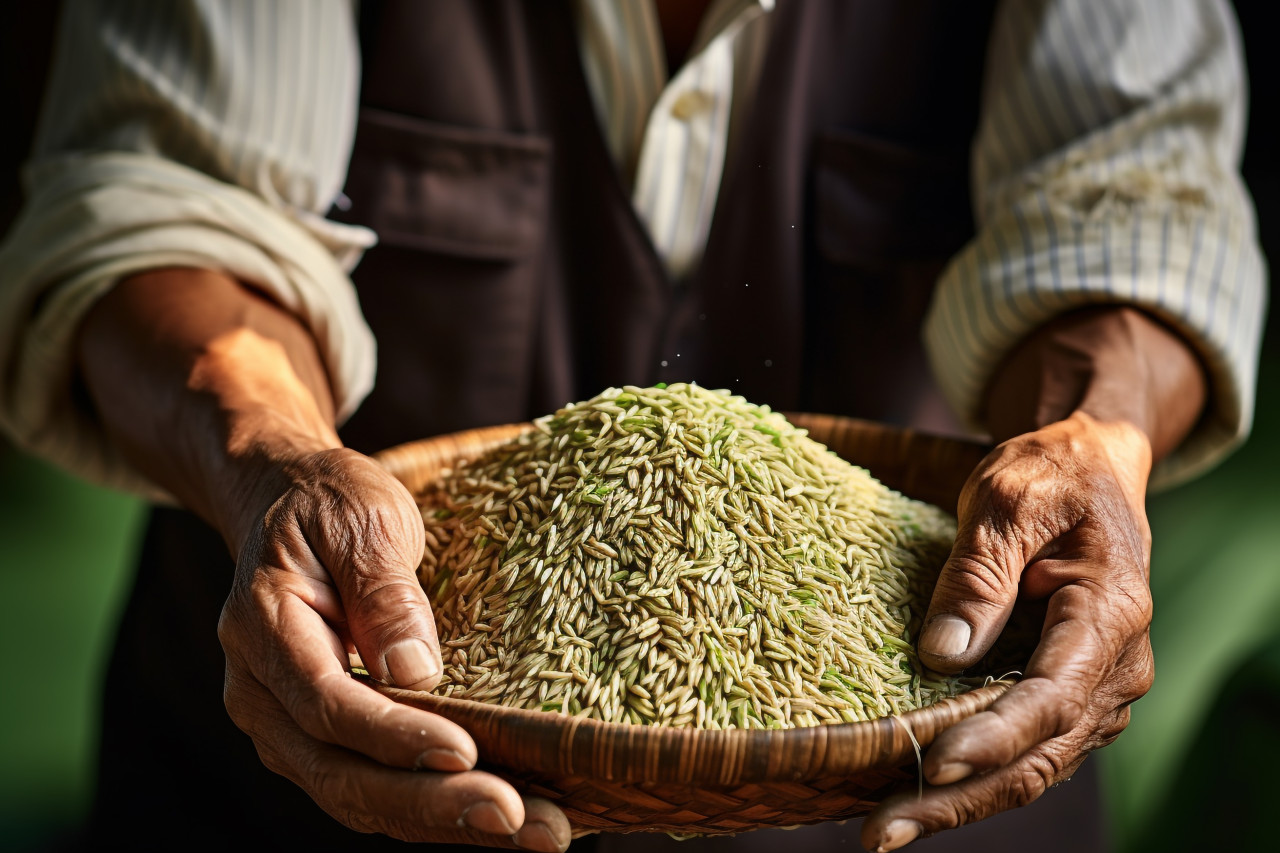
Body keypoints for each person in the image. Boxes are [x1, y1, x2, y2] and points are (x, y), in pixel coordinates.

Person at [0, 1, 1264, 851]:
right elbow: (161, 204)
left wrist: (1096, 436)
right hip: (313, 761)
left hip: (937, 801)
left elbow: (1133, 196)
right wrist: (272, 462)